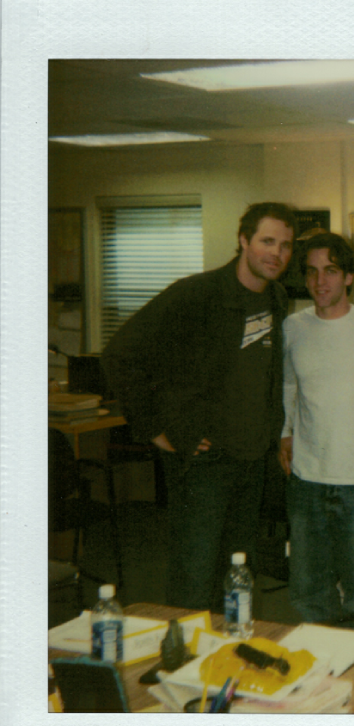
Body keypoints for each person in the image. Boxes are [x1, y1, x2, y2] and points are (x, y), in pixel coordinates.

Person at [102, 202, 296, 609]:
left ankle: (225, 662)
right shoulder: (196, 294)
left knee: (238, 579)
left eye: (285, 245)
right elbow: (121, 354)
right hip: (204, 463)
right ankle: (183, 665)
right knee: (194, 579)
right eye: (266, 241)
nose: (276, 253)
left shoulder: (277, 299)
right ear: (243, 241)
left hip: (250, 461)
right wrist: (154, 428)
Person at [279, 232, 354, 626]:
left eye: (330, 271)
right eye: (312, 272)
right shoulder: (293, 328)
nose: (320, 282)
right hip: (306, 481)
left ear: (348, 276)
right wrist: (285, 432)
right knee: (309, 595)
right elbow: (289, 385)